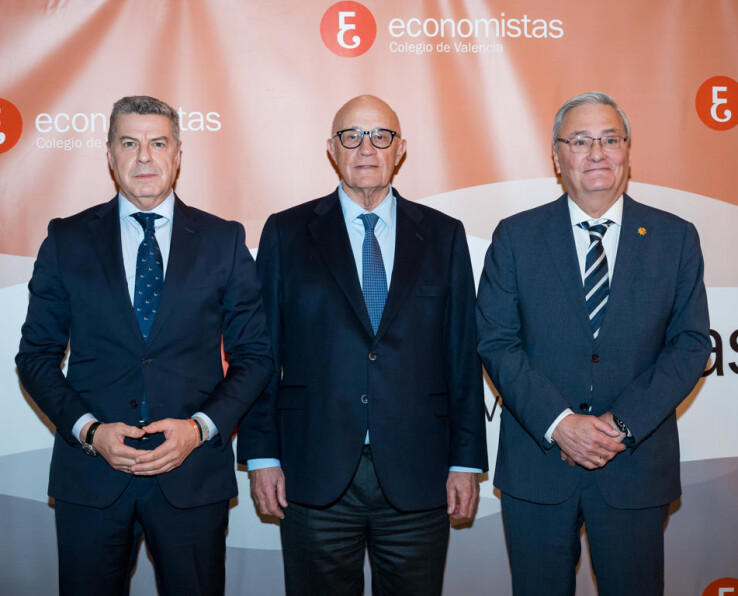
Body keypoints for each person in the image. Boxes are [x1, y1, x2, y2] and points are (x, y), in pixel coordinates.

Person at [16, 95, 272, 595]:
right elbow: (36, 357)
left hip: (192, 477)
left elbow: (255, 356)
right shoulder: (66, 239)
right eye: (129, 143)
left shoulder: (223, 240)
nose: (144, 157)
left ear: (178, 153)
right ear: (110, 154)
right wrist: (90, 432)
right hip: (91, 477)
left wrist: (198, 430)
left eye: (158, 143)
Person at [238, 94, 487, 595]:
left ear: (401, 148)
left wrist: (465, 461)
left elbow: (462, 355)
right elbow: (262, 353)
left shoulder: (444, 236)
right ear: (332, 149)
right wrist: (262, 456)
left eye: (380, 136)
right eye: (351, 136)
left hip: (419, 472)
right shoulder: (286, 233)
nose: (367, 148)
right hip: (314, 470)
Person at [476, 91, 711, 595]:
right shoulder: (516, 237)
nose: (597, 153)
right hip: (538, 468)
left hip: (634, 468)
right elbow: (496, 341)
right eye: (580, 141)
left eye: (610, 139)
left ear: (627, 150)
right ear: (556, 156)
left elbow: (691, 345)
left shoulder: (675, 238)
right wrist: (560, 424)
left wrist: (619, 426)